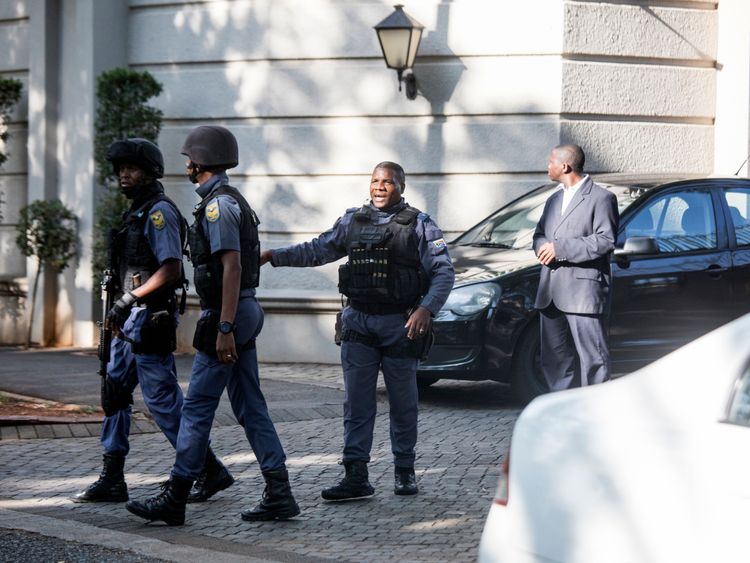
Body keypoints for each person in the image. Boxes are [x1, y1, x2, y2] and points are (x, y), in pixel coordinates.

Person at [125, 126, 299, 526]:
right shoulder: (228, 199)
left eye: (189, 159)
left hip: (228, 313)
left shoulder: (219, 206)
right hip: (242, 312)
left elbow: (232, 266)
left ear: (200, 161)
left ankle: (176, 494)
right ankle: (279, 491)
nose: (186, 164)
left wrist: (223, 327)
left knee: (198, 408)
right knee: (250, 406)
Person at [262, 161, 454, 500]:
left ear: (401, 187)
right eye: (375, 181)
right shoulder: (352, 221)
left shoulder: (421, 224)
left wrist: (426, 309)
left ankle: (405, 471)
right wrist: (272, 256)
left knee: (404, 403)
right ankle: (355, 476)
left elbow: (443, 272)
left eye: (389, 182)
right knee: (357, 404)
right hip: (358, 324)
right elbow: (317, 250)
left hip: (400, 325)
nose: (380, 187)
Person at [73, 138, 233, 505]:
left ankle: (208, 469)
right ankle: (112, 478)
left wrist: (129, 298)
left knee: (163, 403)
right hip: (124, 321)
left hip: (149, 319)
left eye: (131, 169)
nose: (124, 175)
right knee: (114, 395)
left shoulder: (159, 211)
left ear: (149, 172)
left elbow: (172, 268)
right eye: (121, 169)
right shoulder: (137, 211)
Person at [533, 144, 619, 391]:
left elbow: (606, 240)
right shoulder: (553, 199)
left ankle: (597, 411)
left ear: (565, 166)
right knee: (555, 361)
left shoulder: (602, 198)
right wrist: (541, 246)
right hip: (550, 292)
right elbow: (539, 234)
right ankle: (563, 411)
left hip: (583, 293)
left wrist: (560, 249)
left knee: (593, 359)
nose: (547, 166)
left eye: (550, 162)